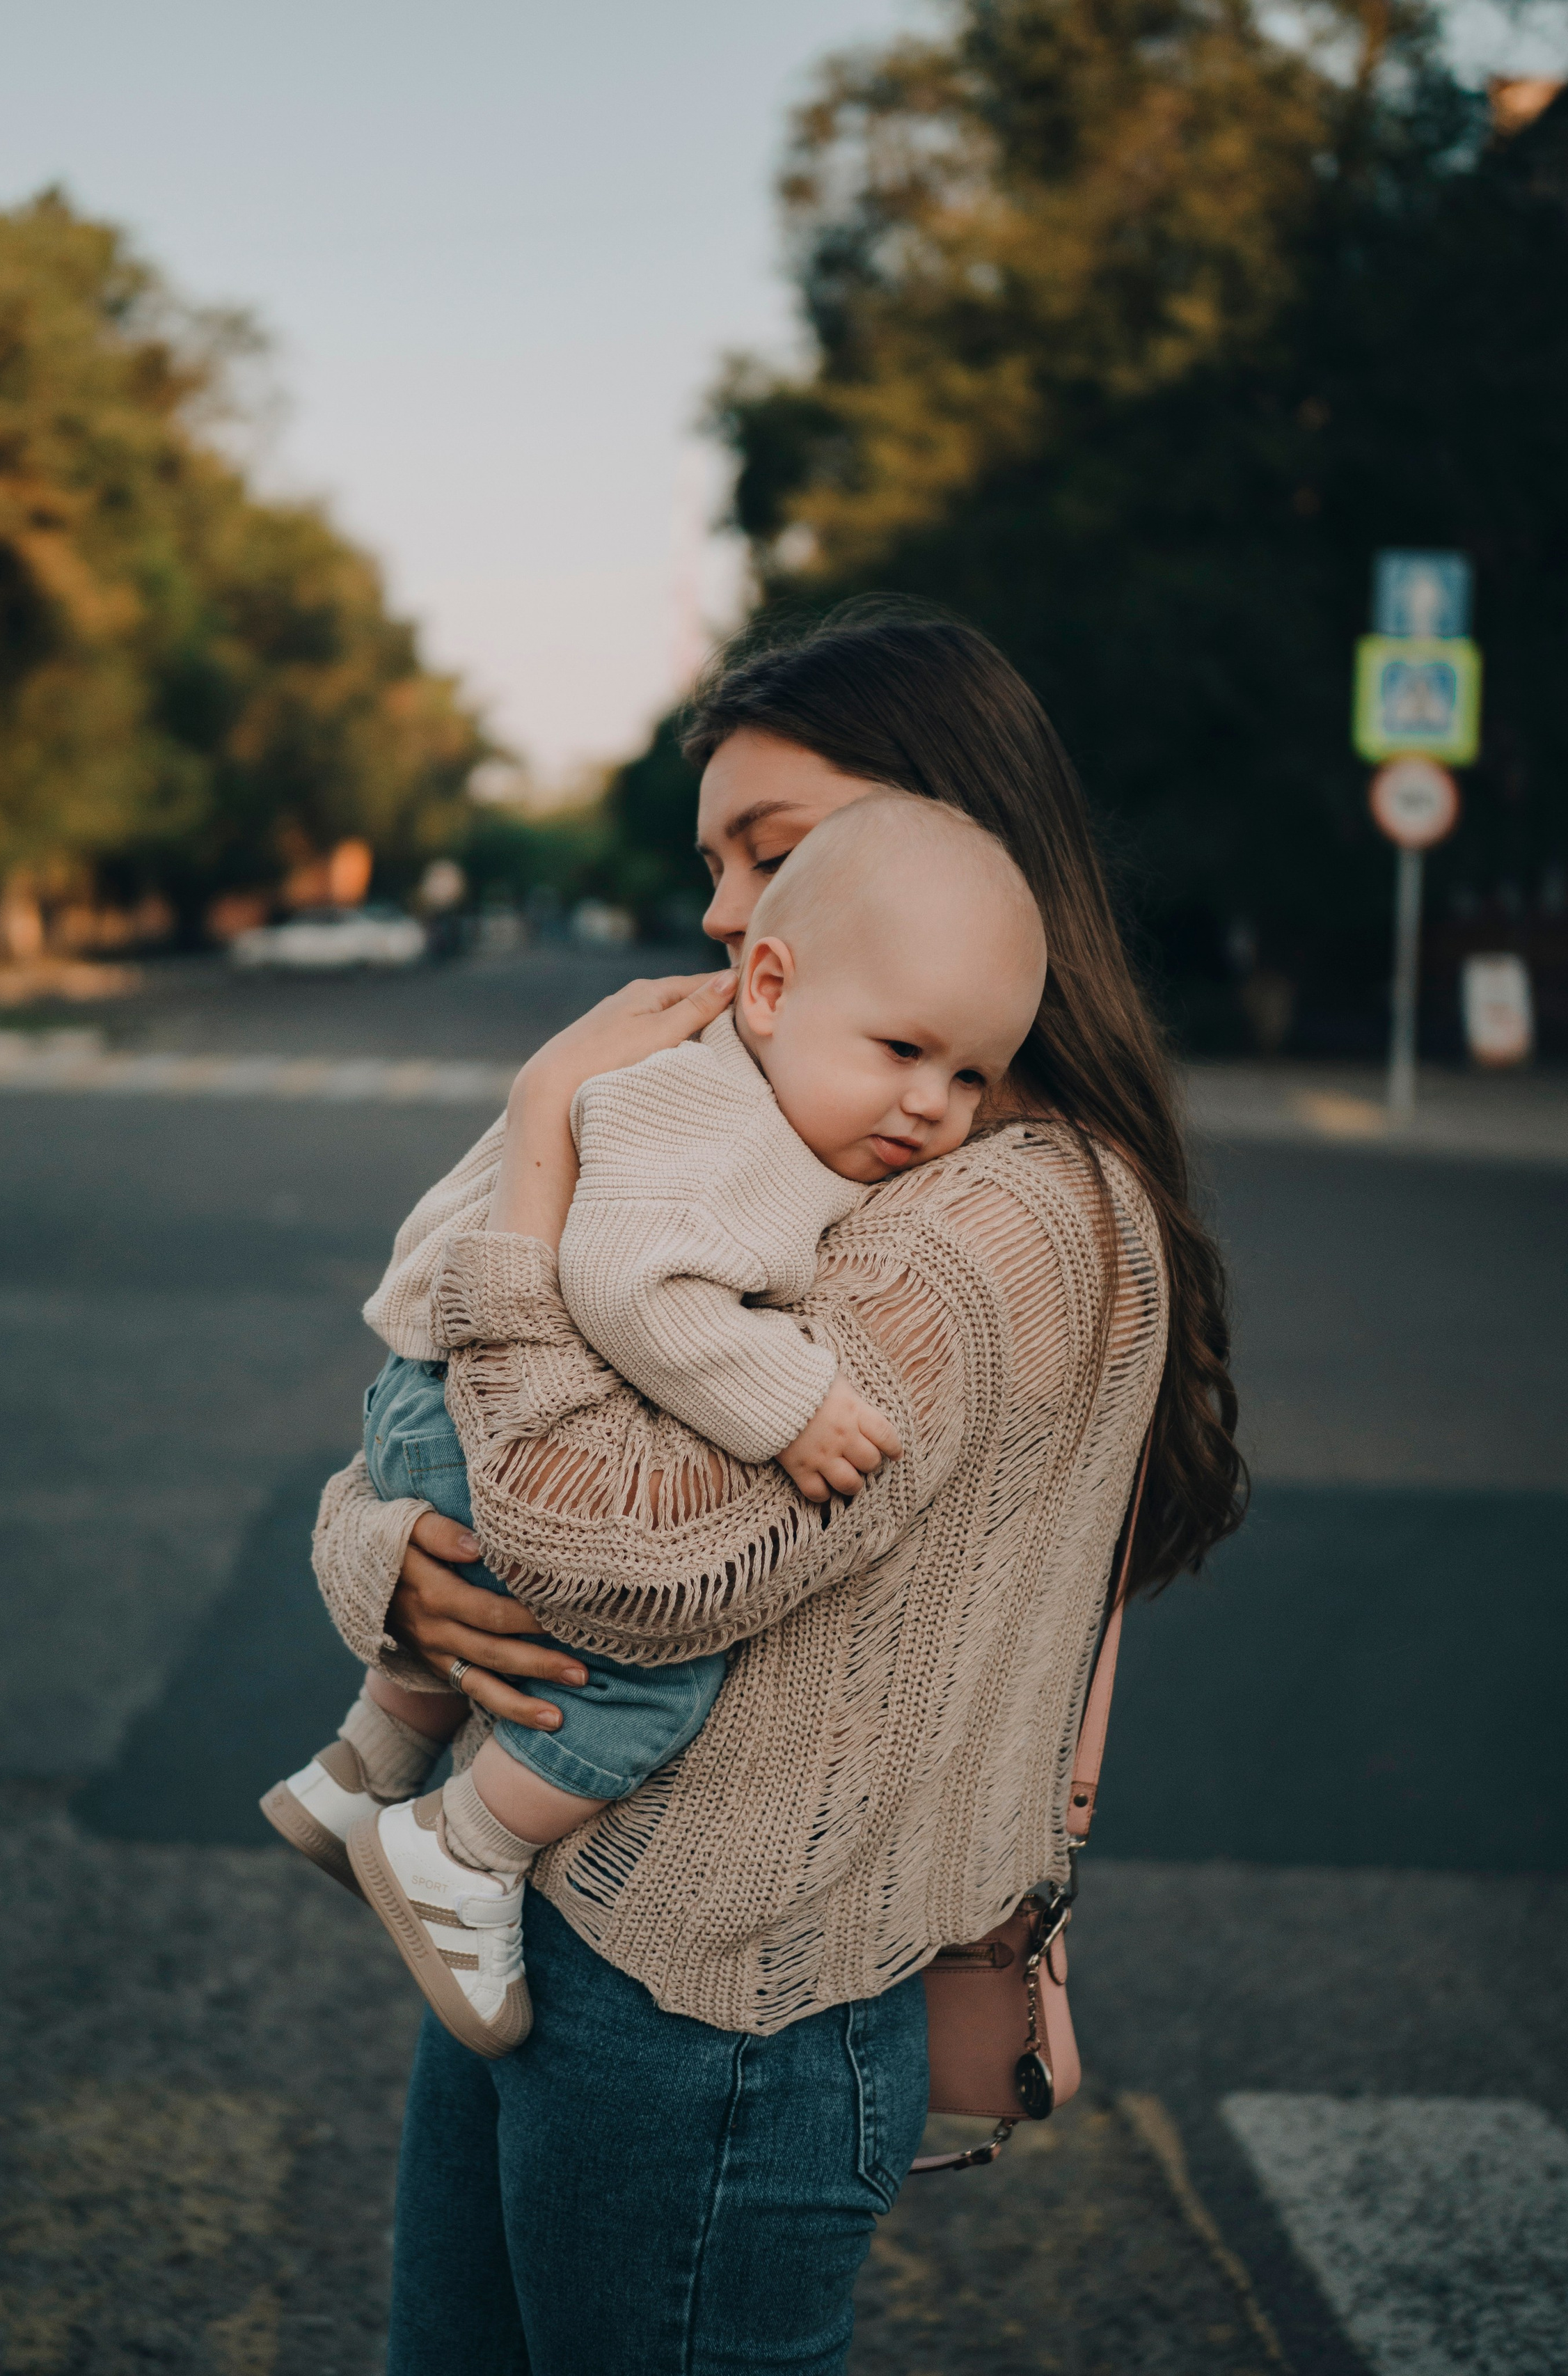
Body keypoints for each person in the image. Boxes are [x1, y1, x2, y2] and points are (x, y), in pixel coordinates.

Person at [309, 611, 1246, 2376]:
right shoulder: (795, 1148)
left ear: (954, 835)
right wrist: (383, 1562)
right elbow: (439, 1426)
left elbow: (624, 1562)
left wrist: (537, 1140)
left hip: (715, 2011)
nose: (729, 912)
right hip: (552, 1928)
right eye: (716, 862)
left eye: (773, 847)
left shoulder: (1001, 1217)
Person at [262, 792, 1047, 2056]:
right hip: (469, 1407)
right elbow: (634, 1281)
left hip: (427, 1390)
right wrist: (789, 1404)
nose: (932, 1107)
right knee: (644, 1669)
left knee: (506, 1617)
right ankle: (462, 1846)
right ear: (780, 992)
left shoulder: (777, 1092)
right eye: (903, 1051)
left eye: (970, 1076)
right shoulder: (727, 1119)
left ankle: (358, 1774)